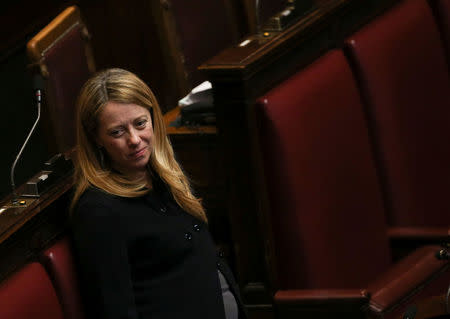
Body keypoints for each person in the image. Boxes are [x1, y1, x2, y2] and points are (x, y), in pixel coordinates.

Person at [70, 68, 246, 319]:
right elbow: (114, 310)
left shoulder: (163, 175)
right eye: (117, 132)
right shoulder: (99, 211)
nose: (134, 139)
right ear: (96, 138)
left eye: (140, 123)